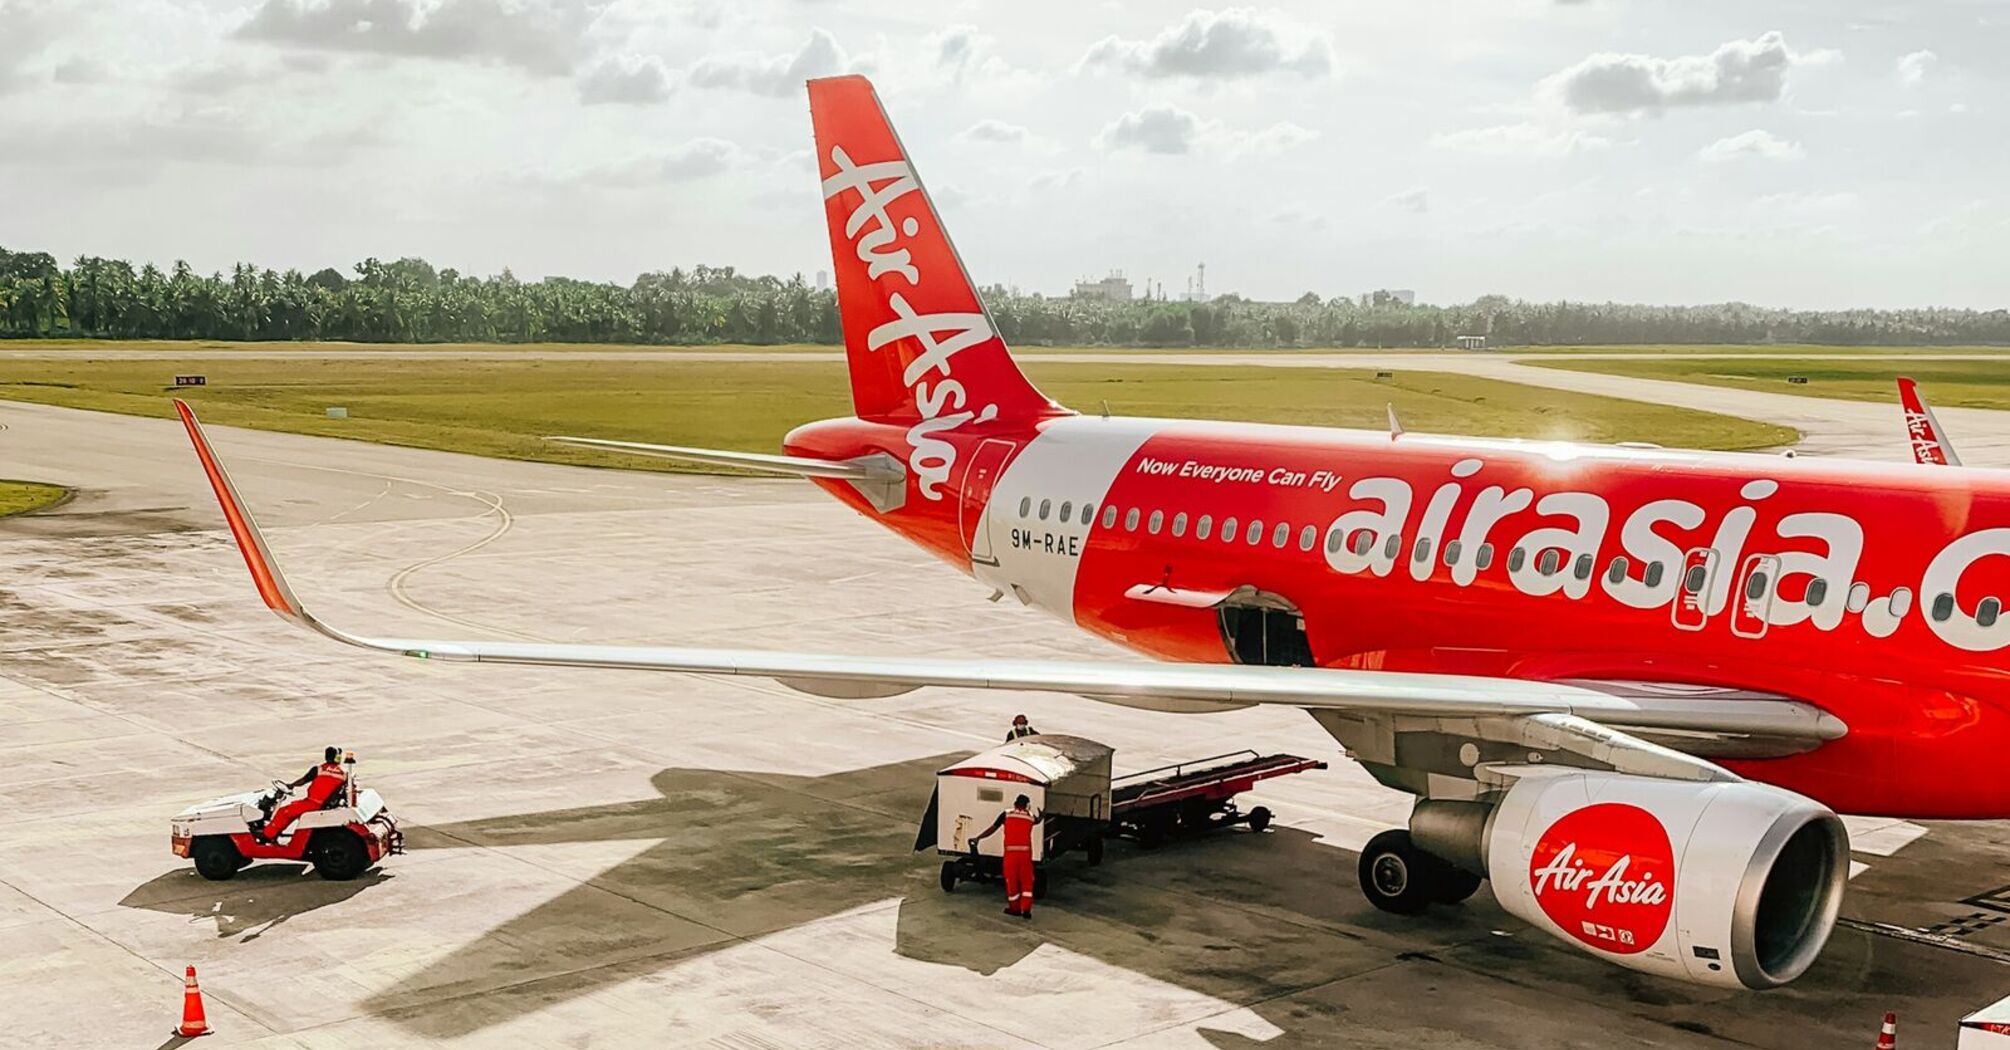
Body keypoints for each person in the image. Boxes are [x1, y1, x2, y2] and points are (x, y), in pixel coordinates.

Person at [970, 794, 1041, 918]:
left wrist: (978, 838)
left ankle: (1014, 909)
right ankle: (1026, 909)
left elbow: (993, 829)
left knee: (1011, 881)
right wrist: (1042, 816)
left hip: (1011, 854)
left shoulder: (1006, 814)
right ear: (1027, 806)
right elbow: (1038, 820)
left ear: (1015, 803)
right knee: (1027, 882)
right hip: (1025, 855)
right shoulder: (1030, 817)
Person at [258, 746, 348, 843]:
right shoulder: (345, 774)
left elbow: (303, 780)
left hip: (313, 804)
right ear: (338, 757)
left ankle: (267, 835)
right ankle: (277, 832)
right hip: (326, 805)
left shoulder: (319, 769)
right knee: (294, 808)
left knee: (284, 812)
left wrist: (292, 785)